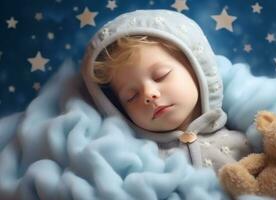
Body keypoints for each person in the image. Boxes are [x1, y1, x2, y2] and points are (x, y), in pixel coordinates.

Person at [81, 9, 251, 171]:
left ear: (195, 69)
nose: (149, 94)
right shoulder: (140, 161)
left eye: (161, 76)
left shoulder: (246, 142)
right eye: (131, 96)